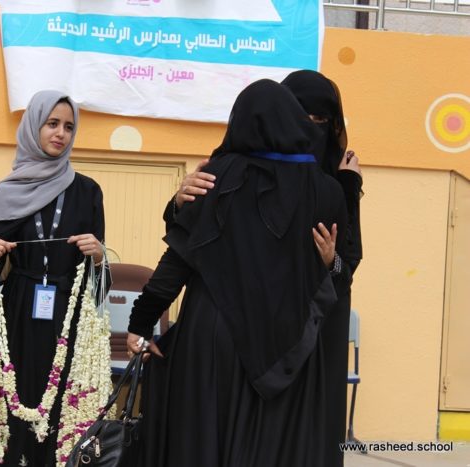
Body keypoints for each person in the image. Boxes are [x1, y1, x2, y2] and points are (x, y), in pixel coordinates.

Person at [126, 79, 348, 466]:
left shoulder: (214, 177)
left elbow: (177, 261)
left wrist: (140, 323)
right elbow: (334, 268)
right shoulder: (326, 190)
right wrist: (333, 264)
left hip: (213, 334)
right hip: (286, 341)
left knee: (202, 439)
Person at [0, 90, 106, 467]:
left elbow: (98, 284)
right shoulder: (7, 191)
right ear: (33, 127)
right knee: (12, 402)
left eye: (69, 127)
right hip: (18, 311)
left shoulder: (88, 191)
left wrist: (98, 255)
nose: (60, 133)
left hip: (66, 316)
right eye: (52, 123)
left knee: (58, 407)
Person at [282, 69, 363, 466]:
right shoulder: (253, 163)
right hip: (274, 309)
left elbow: (349, 260)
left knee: (318, 420)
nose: (311, 129)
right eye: (302, 117)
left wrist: (348, 189)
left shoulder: (341, 176)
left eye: (321, 121)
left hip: (325, 314)